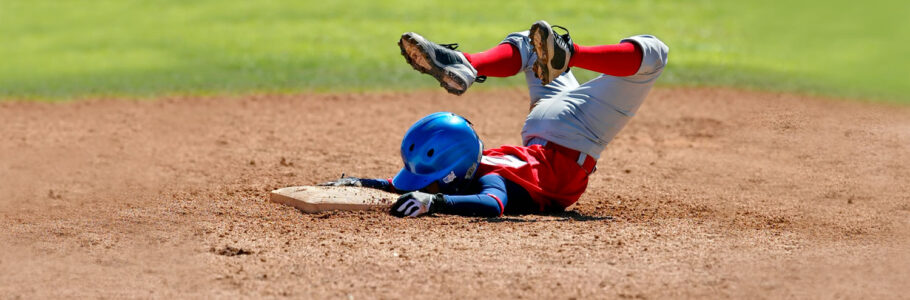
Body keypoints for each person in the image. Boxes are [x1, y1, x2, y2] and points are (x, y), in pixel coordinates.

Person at [322, 20, 669, 217]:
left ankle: (469, 64)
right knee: (531, 44)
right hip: (548, 128)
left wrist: (429, 200)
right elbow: (436, 186)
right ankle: (474, 62)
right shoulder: (476, 169)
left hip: (573, 134)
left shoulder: (481, 176)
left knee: (652, 55)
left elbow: (484, 201)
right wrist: (369, 184)